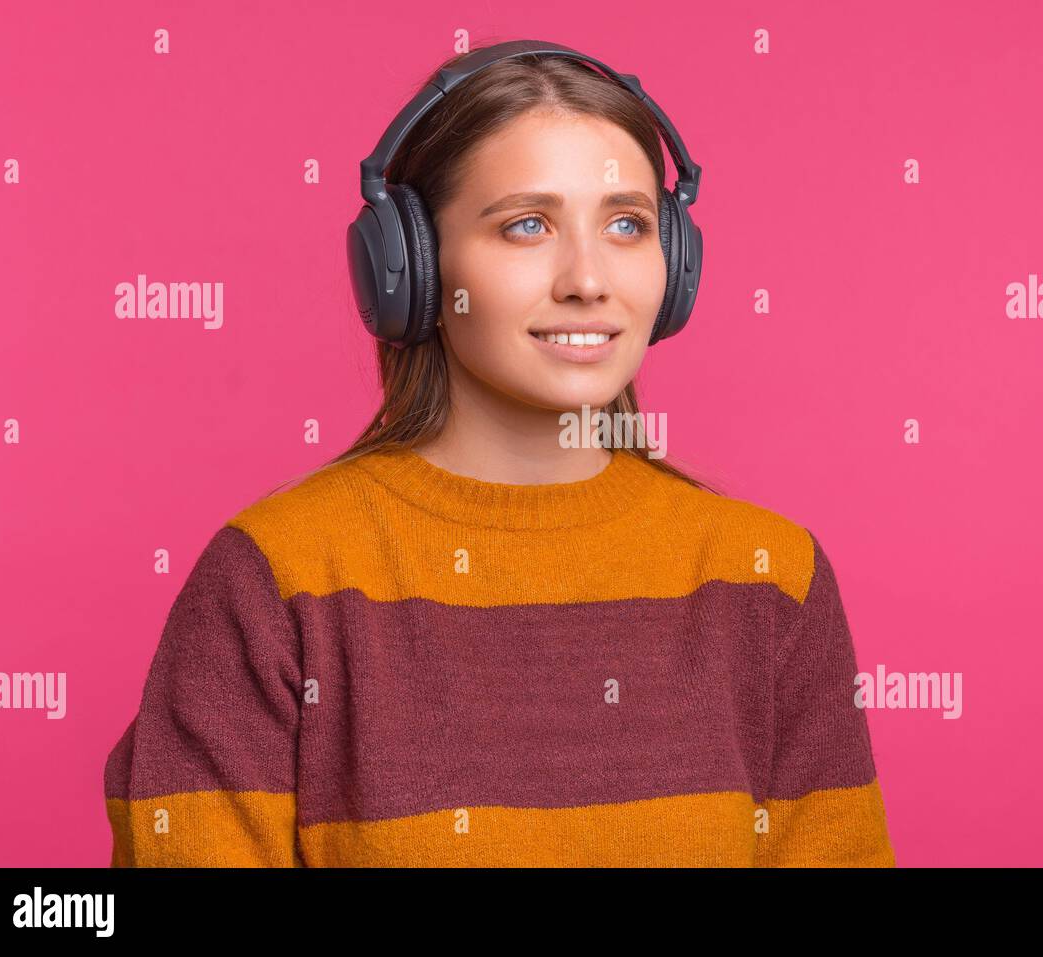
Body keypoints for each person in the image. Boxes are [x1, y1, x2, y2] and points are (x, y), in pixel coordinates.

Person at [103, 40, 896, 867]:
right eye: (527, 225)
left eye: (627, 223)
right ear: (407, 265)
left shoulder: (770, 577)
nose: (589, 279)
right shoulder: (275, 576)